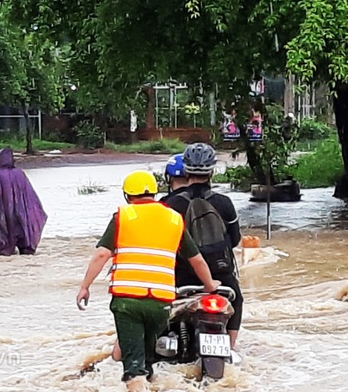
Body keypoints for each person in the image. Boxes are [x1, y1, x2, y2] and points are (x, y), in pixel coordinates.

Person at [76, 170, 220, 391]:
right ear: (154, 192)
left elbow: (101, 255)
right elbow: (196, 259)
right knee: (147, 360)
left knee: (133, 368)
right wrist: (210, 286)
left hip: (127, 302)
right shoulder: (174, 219)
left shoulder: (123, 217)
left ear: (127, 196)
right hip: (160, 304)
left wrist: (85, 287)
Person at [160, 143, 244, 362]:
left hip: (181, 276)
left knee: (160, 306)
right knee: (237, 300)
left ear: (186, 171)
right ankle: (231, 347)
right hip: (220, 275)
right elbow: (235, 240)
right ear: (212, 171)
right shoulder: (224, 203)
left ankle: (159, 345)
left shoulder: (169, 204)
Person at [0, 146, 47, 256]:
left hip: (5, 216)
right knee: (24, 247)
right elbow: (30, 196)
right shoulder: (20, 174)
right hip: (21, 215)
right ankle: (25, 247)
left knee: (4, 247)